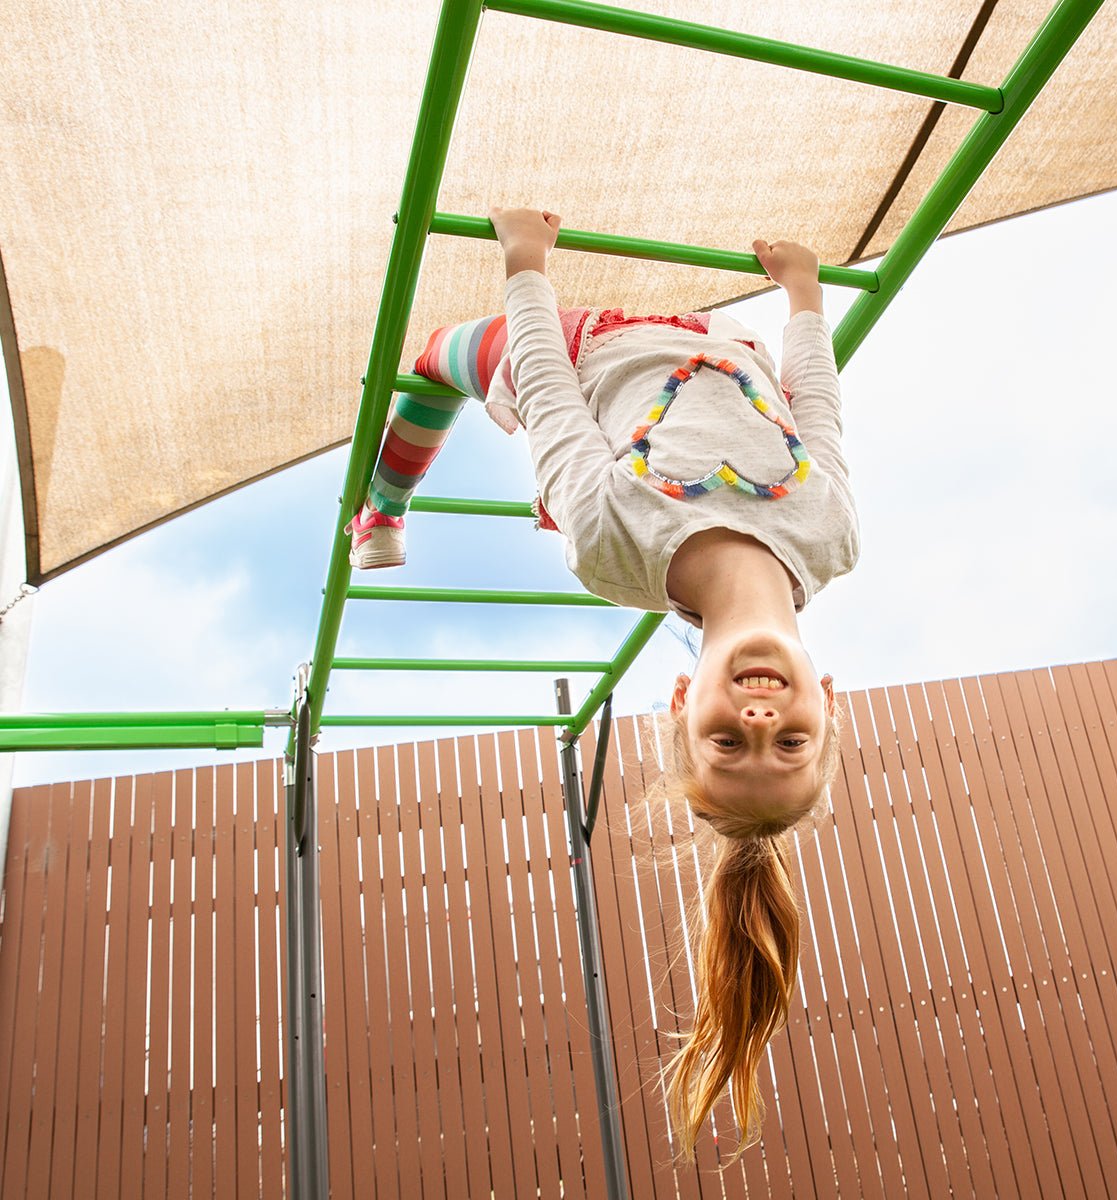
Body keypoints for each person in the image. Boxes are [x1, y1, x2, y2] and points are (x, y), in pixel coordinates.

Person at [356, 205, 859, 1164]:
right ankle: (391, 496)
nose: (761, 718)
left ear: (683, 706)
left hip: (580, 348)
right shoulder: (832, 539)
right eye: (789, 741)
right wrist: (804, 296)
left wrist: (526, 267)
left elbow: (548, 393)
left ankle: (382, 508)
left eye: (729, 742)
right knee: (726, 343)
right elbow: (820, 411)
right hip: (717, 350)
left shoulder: (615, 549)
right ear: (825, 703)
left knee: (434, 363)